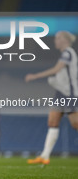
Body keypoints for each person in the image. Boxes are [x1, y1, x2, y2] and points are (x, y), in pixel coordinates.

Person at [25, 31, 78, 165]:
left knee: (75, 123)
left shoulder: (68, 53)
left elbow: (56, 69)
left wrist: (35, 76)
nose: (55, 41)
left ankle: (44, 156)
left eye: (58, 38)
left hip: (69, 93)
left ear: (65, 40)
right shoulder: (65, 54)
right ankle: (45, 156)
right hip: (60, 92)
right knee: (52, 122)